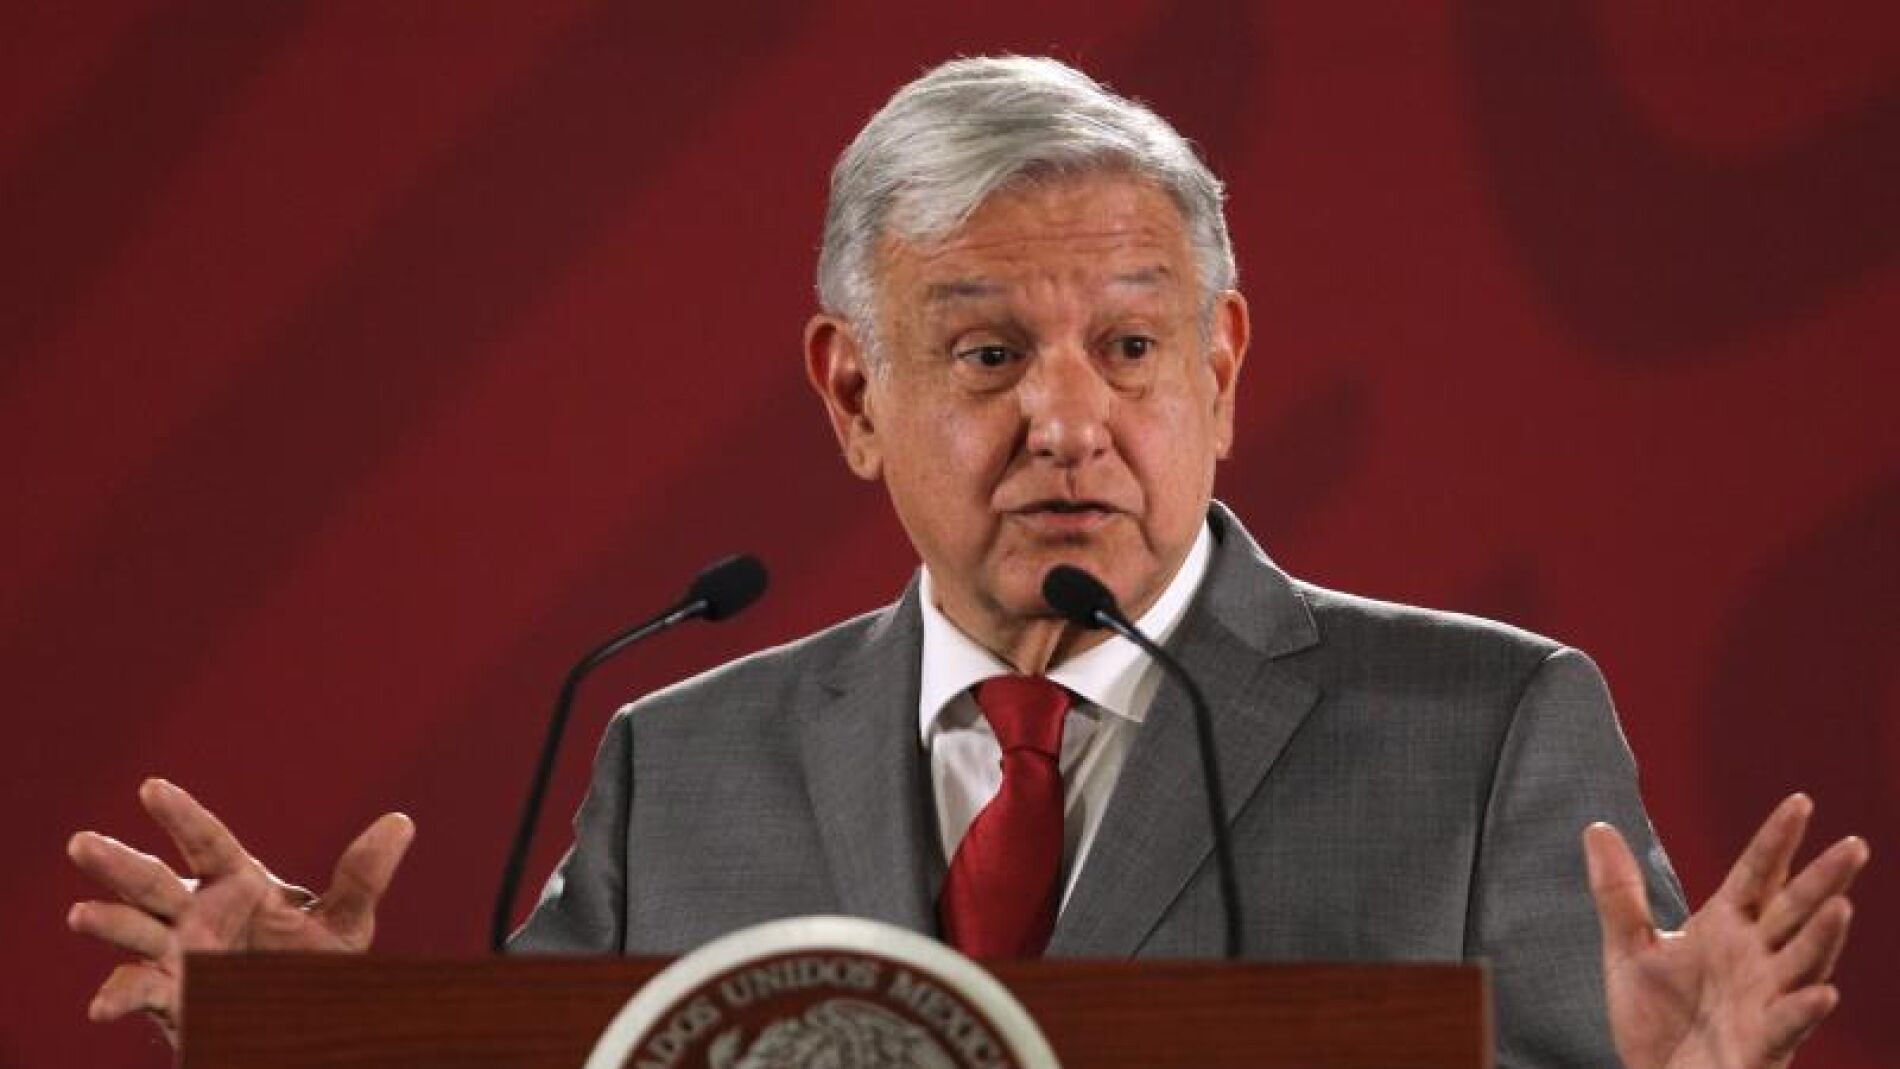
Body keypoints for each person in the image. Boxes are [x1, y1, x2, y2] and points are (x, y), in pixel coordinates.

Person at [68, 56, 1867, 1067]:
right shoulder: (680, 760)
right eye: (991, 352)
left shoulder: (1481, 729)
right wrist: (328, 1038)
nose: (1069, 420)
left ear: (1224, 368)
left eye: (1133, 348)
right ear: (854, 391)